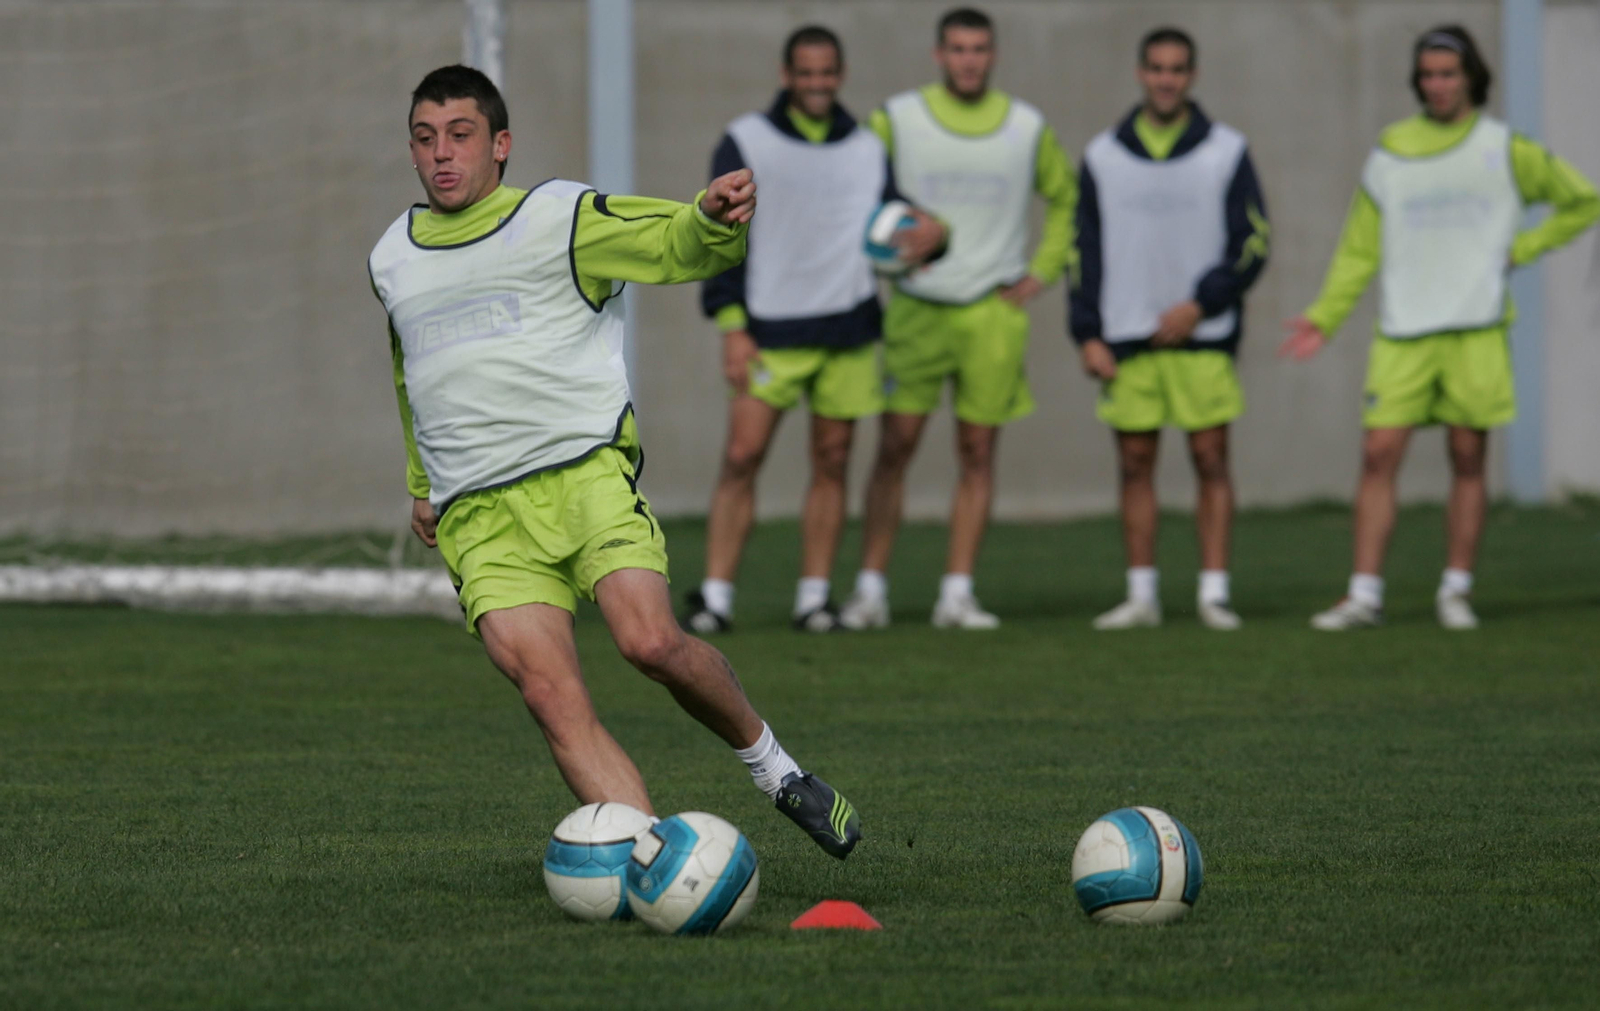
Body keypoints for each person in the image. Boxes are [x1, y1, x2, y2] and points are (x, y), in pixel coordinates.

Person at [368, 65, 861, 858]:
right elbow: (410, 374)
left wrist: (708, 217)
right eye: (425, 139)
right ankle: (661, 861)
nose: (442, 154)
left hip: (584, 475)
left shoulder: (559, 216)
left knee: (650, 641)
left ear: (500, 144)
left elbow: (670, 242)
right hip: (479, 514)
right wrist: (422, 483)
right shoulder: (391, 256)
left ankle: (777, 769)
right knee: (551, 695)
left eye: (460, 135)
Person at [1282, 26, 1599, 631]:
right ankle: (1364, 595)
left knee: (1467, 457)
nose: (1437, 85)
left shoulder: (1504, 147)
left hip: (1476, 329)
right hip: (1403, 332)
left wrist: (1523, 248)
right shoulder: (1391, 151)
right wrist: (1325, 316)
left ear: (1471, 76)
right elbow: (1358, 248)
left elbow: (1583, 200)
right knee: (1378, 454)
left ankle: (1456, 590)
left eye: (1448, 73)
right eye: (1427, 75)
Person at [683, 25, 946, 635]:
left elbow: (897, 222)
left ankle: (814, 600)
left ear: (840, 75)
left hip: (848, 329)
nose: (817, 82)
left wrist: (937, 234)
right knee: (742, 456)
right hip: (767, 331)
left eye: (827, 72)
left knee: (832, 460)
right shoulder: (746, 140)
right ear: (787, 75)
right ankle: (715, 598)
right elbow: (718, 236)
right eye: (806, 72)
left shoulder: (867, 147)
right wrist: (732, 327)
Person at [838, 6, 1077, 630]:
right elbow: (853, 186)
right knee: (895, 447)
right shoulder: (898, 118)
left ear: (992, 56)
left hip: (992, 313)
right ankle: (869, 591)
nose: (969, 60)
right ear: (938, 55)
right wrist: (881, 256)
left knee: (977, 451)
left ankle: (957, 594)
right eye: (958, 49)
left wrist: (1042, 271)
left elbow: (1066, 197)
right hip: (916, 310)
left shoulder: (1026, 126)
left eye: (979, 49)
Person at [1071, 27, 1269, 631]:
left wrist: (1201, 305)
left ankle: (1214, 594)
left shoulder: (1227, 150)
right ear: (1141, 73)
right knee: (1135, 464)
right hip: (1126, 335)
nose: (1166, 79)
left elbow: (1254, 242)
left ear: (1192, 75)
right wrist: (1087, 331)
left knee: (1211, 459)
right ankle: (1142, 596)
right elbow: (1082, 250)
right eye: (1156, 68)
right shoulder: (1103, 155)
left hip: (1203, 336)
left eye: (1177, 69)